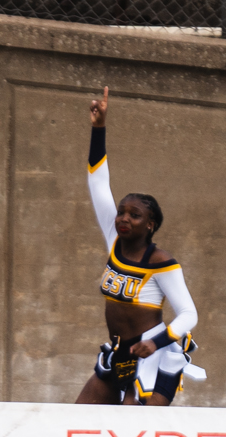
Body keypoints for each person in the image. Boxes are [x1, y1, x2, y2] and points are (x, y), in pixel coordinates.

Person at [75, 87, 204, 406]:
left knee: (137, 435)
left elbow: (189, 314)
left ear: (150, 224)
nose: (124, 218)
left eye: (135, 215)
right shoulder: (113, 239)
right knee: (79, 418)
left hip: (154, 354)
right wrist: (99, 128)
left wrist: (157, 342)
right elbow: (97, 182)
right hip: (121, 352)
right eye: (121, 212)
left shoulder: (160, 261)